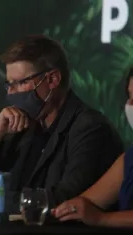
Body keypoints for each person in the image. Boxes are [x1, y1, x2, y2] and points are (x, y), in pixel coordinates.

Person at [0, 35, 124, 208]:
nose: (11, 92)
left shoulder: (90, 129)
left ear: (52, 79)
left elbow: (67, 200)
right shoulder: (23, 126)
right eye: (9, 84)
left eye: (19, 82)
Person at [52, 67, 133, 228]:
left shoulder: (91, 126)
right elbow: (83, 204)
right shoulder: (129, 160)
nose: (130, 105)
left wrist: (101, 219)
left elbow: (94, 214)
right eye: (130, 96)